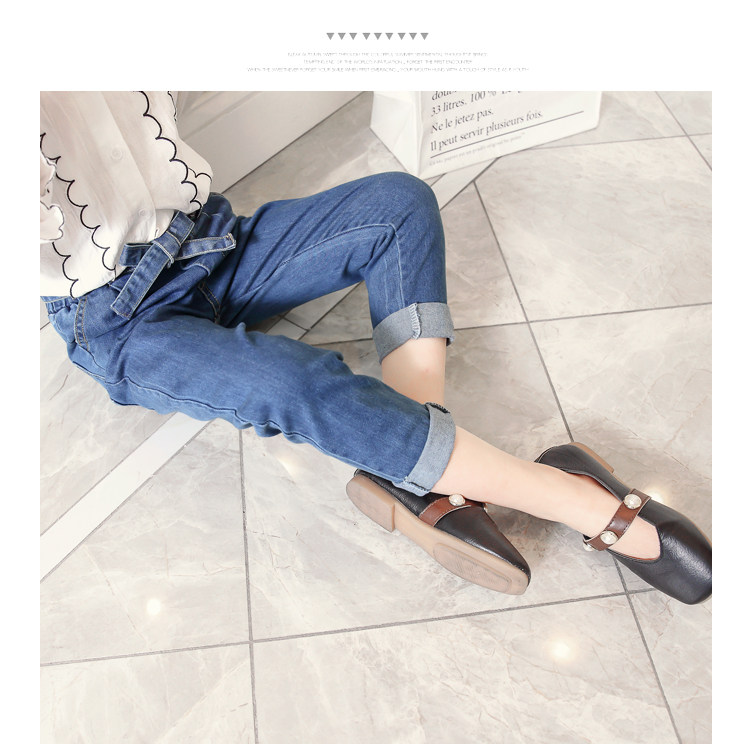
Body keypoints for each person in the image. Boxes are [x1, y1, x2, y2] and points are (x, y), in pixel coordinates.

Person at [41, 91, 711, 605]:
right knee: (290, 384)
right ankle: (573, 496)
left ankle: (414, 480)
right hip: (120, 316)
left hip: (207, 241)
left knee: (399, 205)